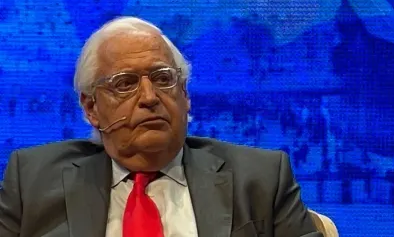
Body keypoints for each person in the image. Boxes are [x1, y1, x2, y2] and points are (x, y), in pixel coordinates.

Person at [0, 16, 322, 237]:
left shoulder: (262, 179)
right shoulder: (32, 181)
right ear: (91, 108)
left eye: (163, 79)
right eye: (125, 84)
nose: (149, 97)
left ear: (185, 95)